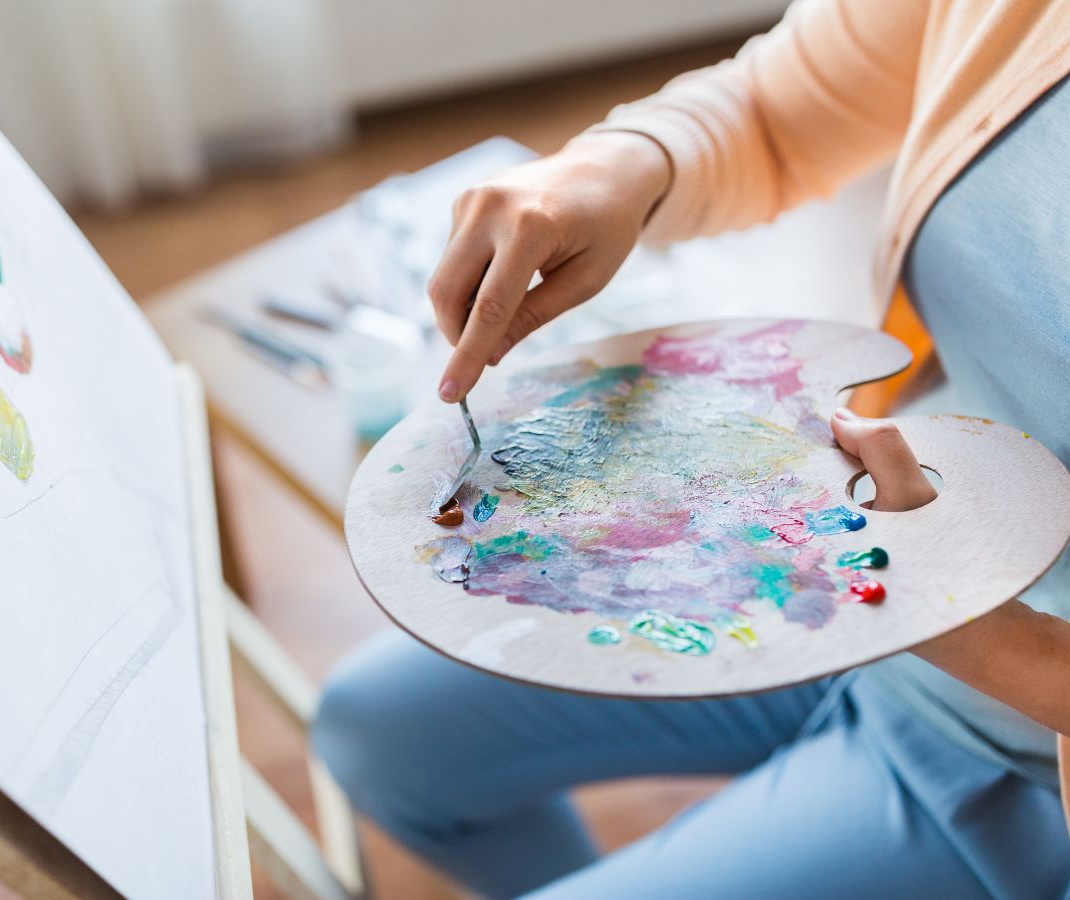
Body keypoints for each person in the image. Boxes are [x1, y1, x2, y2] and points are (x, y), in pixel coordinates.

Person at [312, 1, 1070, 896]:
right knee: (374, 729)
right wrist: (618, 168)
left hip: (1014, 744)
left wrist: (939, 606)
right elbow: (777, 106)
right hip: (859, 562)